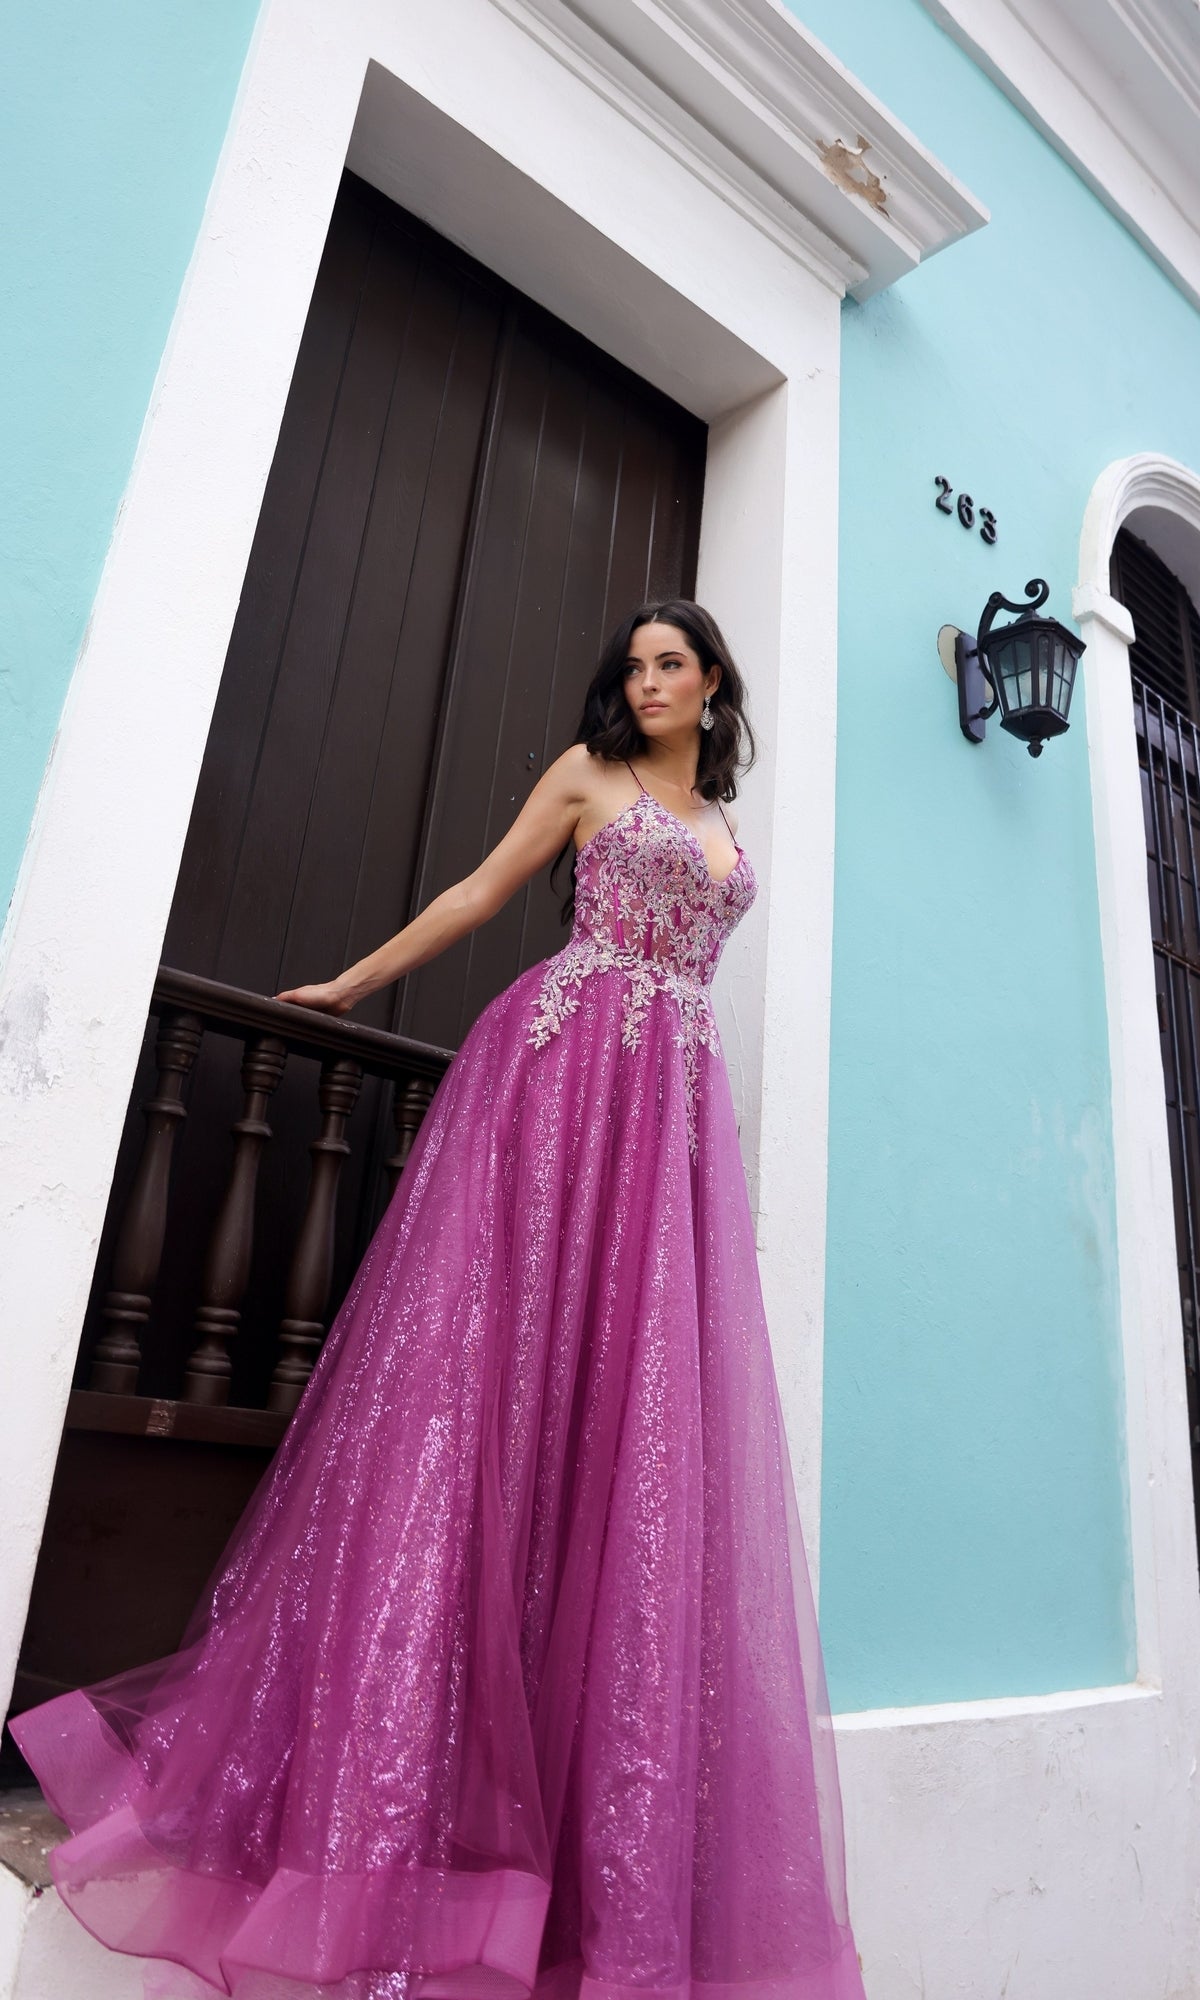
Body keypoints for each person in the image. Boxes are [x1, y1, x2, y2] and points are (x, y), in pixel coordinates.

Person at [10, 601, 869, 2000]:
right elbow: (480, 892)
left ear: (715, 683)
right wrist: (355, 980)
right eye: (634, 666)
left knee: (636, 1424)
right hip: (565, 1075)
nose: (648, 683)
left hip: (665, 1117)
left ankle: (592, 1864)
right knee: (492, 1387)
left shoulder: (719, 818)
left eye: (671, 664)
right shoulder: (586, 777)